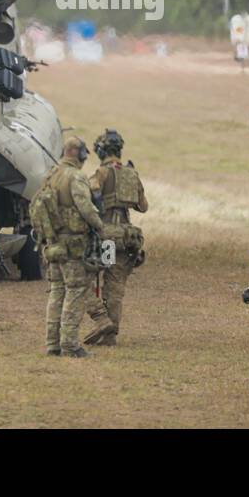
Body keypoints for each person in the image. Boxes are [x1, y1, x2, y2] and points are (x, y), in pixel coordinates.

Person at [34, 135, 105, 357]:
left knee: (56, 291)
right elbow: (85, 207)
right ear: (79, 153)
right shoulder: (75, 176)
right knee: (75, 291)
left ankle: (52, 344)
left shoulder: (50, 175)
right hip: (73, 245)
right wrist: (100, 225)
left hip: (53, 244)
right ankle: (70, 344)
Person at [84, 129, 148, 347]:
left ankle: (101, 320)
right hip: (127, 237)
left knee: (84, 278)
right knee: (115, 284)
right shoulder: (132, 173)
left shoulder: (102, 172)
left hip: (107, 235)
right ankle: (111, 332)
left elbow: (89, 194)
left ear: (101, 151)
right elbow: (143, 206)